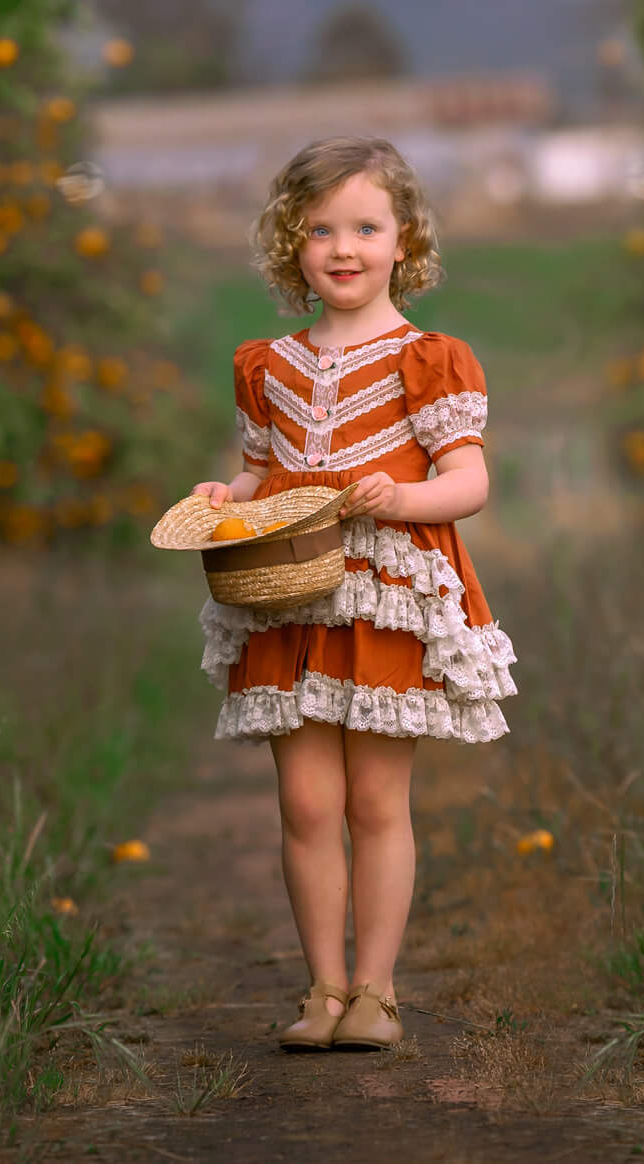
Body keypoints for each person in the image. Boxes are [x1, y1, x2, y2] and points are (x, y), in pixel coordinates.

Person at [191, 134, 518, 1054]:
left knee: (377, 802)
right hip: (289, 601)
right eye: (320, 230)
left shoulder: (429, 359)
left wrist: (401, 497)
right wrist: (229, 498)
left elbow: (468, 481)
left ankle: (377, 990)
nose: (344, 248)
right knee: (303, 805)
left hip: (381, 599)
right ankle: (322, 990)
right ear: (289, 246)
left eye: (365, 227)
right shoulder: (269, 365)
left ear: (403, 239)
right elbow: (262, 477)